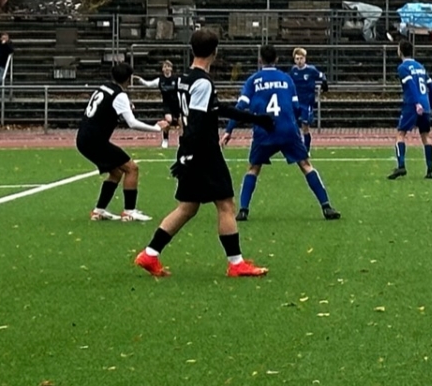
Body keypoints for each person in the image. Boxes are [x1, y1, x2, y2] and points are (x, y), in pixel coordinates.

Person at [133, 27, 269, 279]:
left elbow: (214, 108)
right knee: (225, 204)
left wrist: (255, 119)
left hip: (191, 149)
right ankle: (236, 263)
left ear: (192, 49)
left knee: (188, 207)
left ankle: (150, 254)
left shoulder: (183, 78)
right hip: (203, 151)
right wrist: (189, 155)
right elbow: (196, 121)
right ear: (215, 52)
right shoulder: (203, 82)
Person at [226, 44, 340, 222]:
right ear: (277, 59)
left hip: (264, 131)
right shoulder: (286, 79)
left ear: (260, 60)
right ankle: (326, 206)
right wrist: (292, 121)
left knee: (253, 168)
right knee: (305, 165)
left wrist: (229, 129)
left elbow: (240, 107)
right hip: (287, 130)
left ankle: (243, 210)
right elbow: (295, 107)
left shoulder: (253, 80)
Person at [77, 61, 161, 221]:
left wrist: (125, 106)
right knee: (132, 168)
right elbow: (132, 123)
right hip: (95, 141)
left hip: (83, 138)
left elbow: (106, 108)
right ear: (129, 78)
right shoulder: (120, 95)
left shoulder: (103, 88)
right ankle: (129, 211)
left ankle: (99, 210)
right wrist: (157, 128)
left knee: (116, 172)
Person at [388, 39, 432, 180]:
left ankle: (401, 165)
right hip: (425, 104)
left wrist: (416, 103)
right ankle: (430, 170)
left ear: (400, 51)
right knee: (425, 136)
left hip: (412, 104)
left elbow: (411, 85)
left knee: (400, 134)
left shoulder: (403, 67)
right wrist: (429, 104)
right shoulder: (420, 66)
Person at [132, 58, 185, 148]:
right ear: (162, 69)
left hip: (177, 104)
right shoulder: (160, 80)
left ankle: (181, 142)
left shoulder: (177, 79)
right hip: (167, 104)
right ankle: (165, 139)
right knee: (168, 120)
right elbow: (148, 84)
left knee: (181, 123)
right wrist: (140, 80)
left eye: (168, 66)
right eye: (165, 67)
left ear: (171, 68)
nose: (166, 68)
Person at [288, 46, 329, 152]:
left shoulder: (311, 70)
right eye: (297, 59)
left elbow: (322, 75)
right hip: (295, 103)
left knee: (305, 126)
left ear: (305, 58)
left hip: (307, 103)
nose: (299, 61)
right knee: (292, 126)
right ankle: (296, 147)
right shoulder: (293, 71)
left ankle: (306, 149)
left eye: (301, 58)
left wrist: (324, 84)